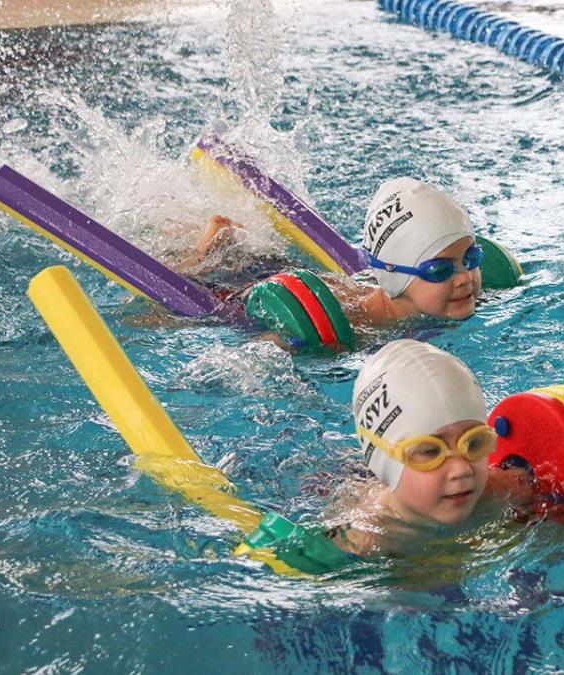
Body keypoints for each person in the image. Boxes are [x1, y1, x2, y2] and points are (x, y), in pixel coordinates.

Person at [326, 339, 539, 558]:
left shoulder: (506, 491)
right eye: (431, 451)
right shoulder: (362, 540)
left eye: (474, 442)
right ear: (385, 462)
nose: (462, 469)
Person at [187, 177, 485, 333]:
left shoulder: (456, 298)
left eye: (471, 259)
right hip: (252, 294)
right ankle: (212, 242)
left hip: (314, 281)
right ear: (395, 274)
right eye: (440, 271)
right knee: (198, 298)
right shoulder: (355, 327)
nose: (464, 279)